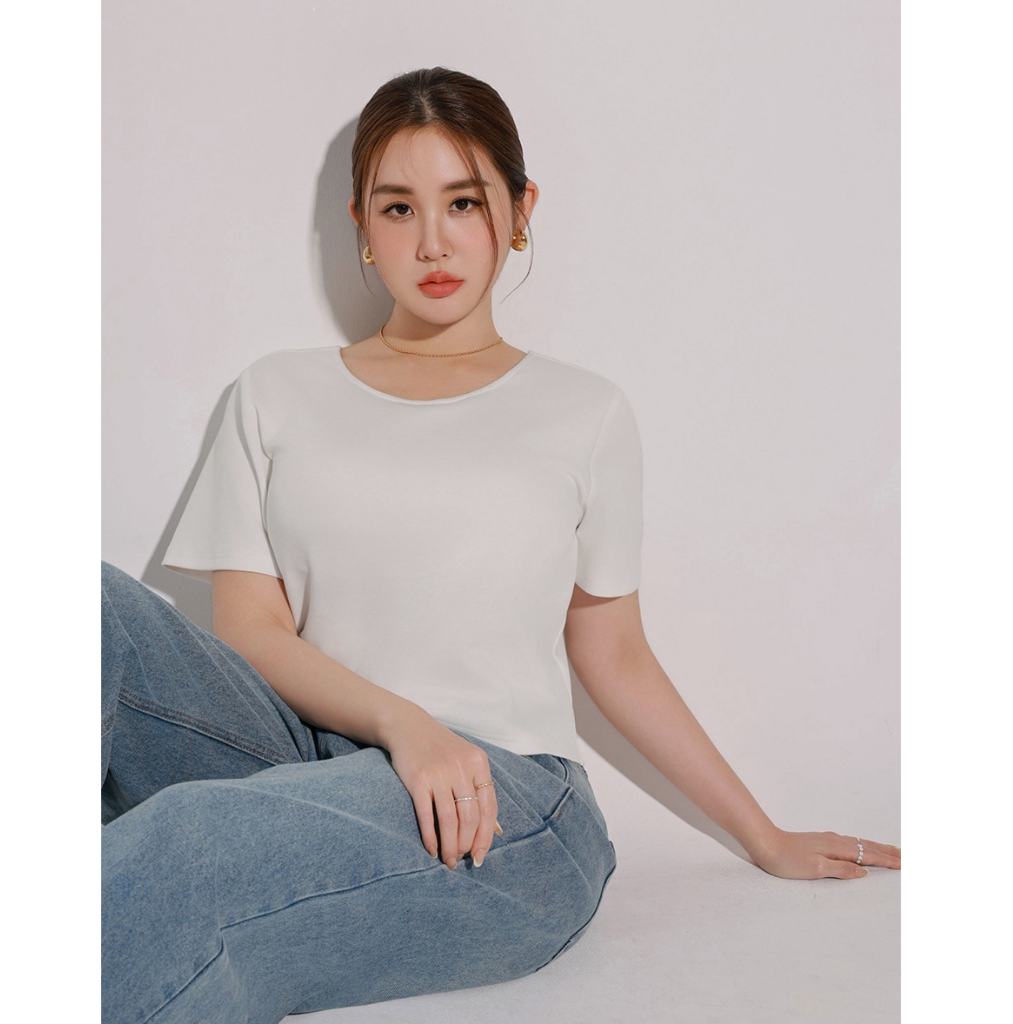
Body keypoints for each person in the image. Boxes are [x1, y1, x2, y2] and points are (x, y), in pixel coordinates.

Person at [101, 67, 899, 1024]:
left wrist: (762, 836)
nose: (432, 242)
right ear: (361, 223)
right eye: (399, 207)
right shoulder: (275, 393)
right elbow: (251, 631)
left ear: (519, 212)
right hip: (300, 755)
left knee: (194, 843)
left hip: (502, 801)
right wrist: (404, 724)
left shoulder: (583, 413)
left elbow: (614, 652)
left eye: (465, 202)